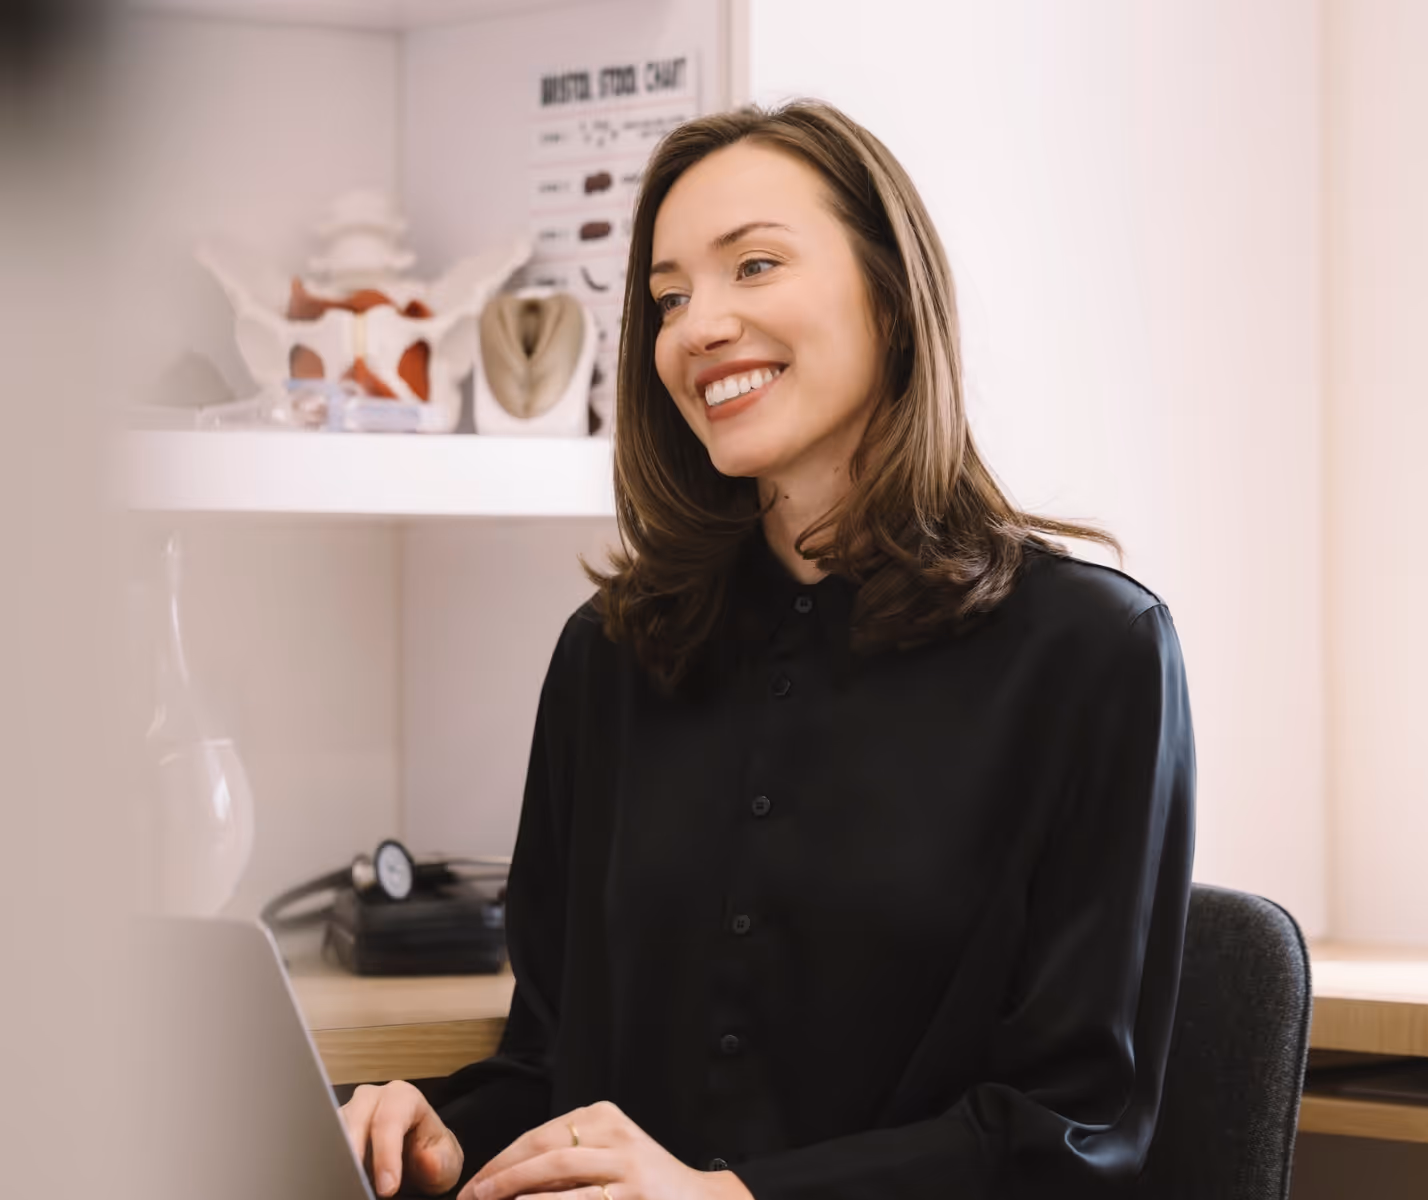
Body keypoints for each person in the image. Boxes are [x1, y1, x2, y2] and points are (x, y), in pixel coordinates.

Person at [339, 100, 1195, 1200]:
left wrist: (725, 1198)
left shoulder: (1095, 654)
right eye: (669, 297)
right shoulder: (608, 656)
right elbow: (553, 1063)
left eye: (754, 265)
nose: (699, 326)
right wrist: (441, 1129)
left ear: (891, 294)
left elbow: (1073, 1138)